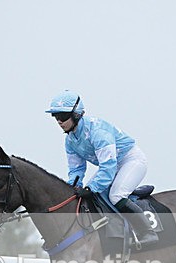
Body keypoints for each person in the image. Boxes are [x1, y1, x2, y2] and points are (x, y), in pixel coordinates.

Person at [46, 89, 158, 246]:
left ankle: (147, 232)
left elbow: (108, 167)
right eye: (55, 116)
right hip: (112, 166)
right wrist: (73, 187)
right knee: (88, 196)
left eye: (63, 116)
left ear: (76, 114)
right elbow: (76, 170)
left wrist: (91, 188)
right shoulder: (70, 140)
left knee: (116, 196)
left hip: (131, 161)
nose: (59, 121)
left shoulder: (98, 132)